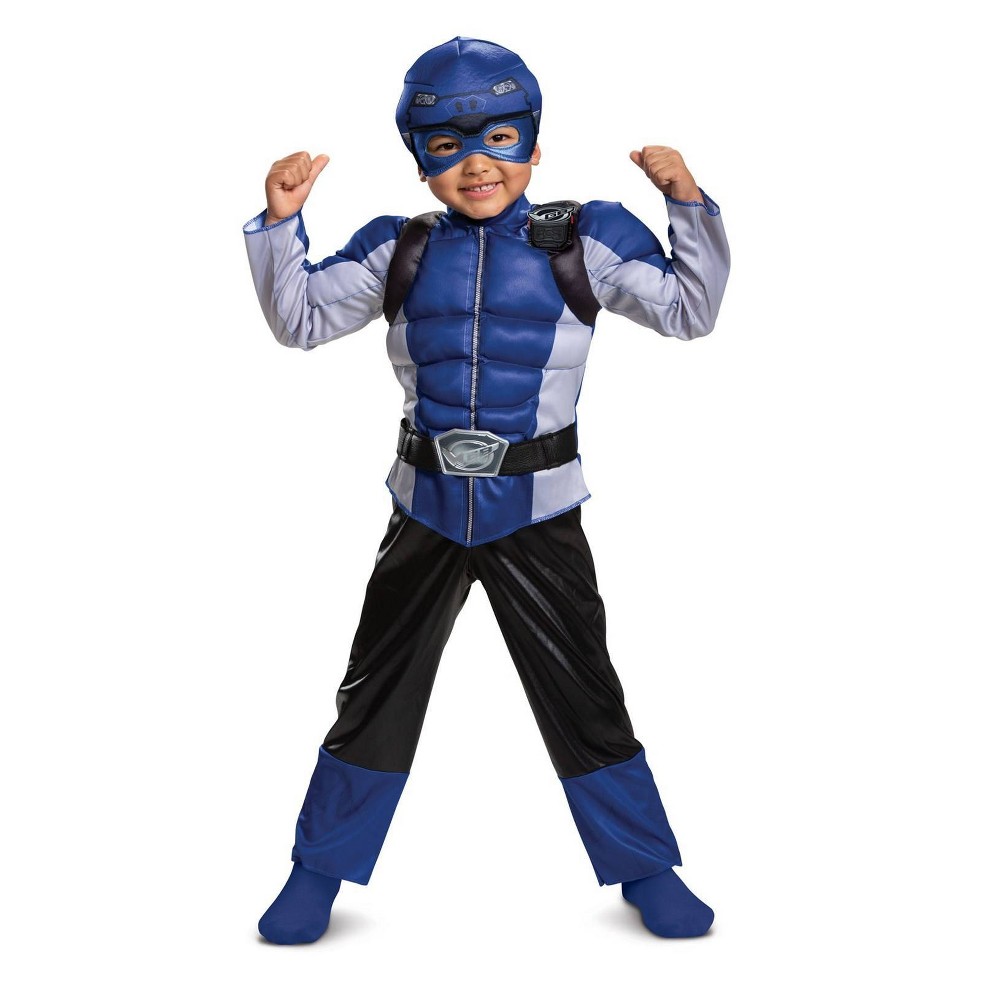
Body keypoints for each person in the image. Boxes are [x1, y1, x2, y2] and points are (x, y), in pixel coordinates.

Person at [243, 36, 730, 944]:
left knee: (584, 692)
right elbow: (300, 321)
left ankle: (646, 870)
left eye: (499, 138)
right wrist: (279, 225)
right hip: (423, 507)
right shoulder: (398, 247)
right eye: (448, 145)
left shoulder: (584, 237)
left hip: (537, 511)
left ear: (534, 146)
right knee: (373, 695)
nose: (476, 164)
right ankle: (317, 871)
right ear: (419, 161)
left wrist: (687, 205)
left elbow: (689, 310)